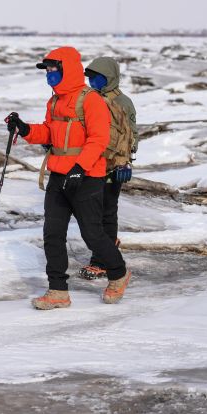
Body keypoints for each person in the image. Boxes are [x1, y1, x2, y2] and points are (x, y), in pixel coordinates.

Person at [5, 46, 132, 310]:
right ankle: (58, 292)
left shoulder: (91, 100)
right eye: (47, 69)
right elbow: (49, 134)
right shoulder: (54, 102)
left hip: (87, 177)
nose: (49, 74)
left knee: (92, 234)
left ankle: (119, 274)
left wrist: (80, 167)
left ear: (67, 70)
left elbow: (99, 139)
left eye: (53, 69)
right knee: (52, 233)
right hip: (59, 175)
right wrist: (26, 129)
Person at [78, 57, 139, 280]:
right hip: (92, 162)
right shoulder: (88, 99)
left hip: (114, 165)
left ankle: (102, 260)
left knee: (106, 210)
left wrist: (127, 160)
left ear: (110, 78)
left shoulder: (123, 102)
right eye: (91, 77)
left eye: (99, 78)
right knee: (93, 211)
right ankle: (107, 248)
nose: (93, 81)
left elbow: (131, 133)